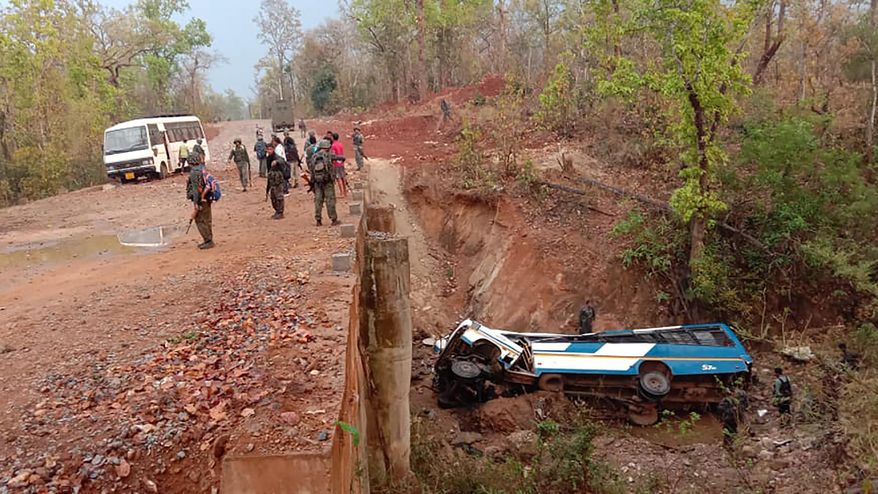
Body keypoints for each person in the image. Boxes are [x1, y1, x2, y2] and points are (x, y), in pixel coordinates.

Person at [310, 139, 343, 226]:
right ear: (327, 147)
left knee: (318, 201)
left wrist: (312, 182)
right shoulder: (328, 155)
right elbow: (339, 158)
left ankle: (318, 220)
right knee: (330, 200)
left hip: (317, 182)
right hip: (328, 182)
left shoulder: (314, 156)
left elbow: (311, 170)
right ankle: (333, 219)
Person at [185, 154, 214, 249]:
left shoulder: (194, 172)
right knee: (207, 219)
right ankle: (209, 239)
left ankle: (208, 240)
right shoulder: (202, 169)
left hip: (201, 199)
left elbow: (196, 189)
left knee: (200, 220)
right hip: (207, 198)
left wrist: (196, 203)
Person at [265, 143, 285, 219]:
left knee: (279, 197)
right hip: (272, 181)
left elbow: (282, 160)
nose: (269, 151)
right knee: (273, 197)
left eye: (271, 149)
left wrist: (277, 162)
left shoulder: (276, 157)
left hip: (278, 181)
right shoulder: (268, 158)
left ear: (273, 149)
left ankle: (280, 212)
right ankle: (277, 211)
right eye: (268, 149)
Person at [330, 132, 346, 198]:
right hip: (341, 162)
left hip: (336, 163)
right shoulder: (340, 144)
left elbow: (333, 155)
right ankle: (345, 192)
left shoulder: (333, 146)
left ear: (333, 138)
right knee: (343, 177)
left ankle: (341, 192)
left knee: (338, 178)